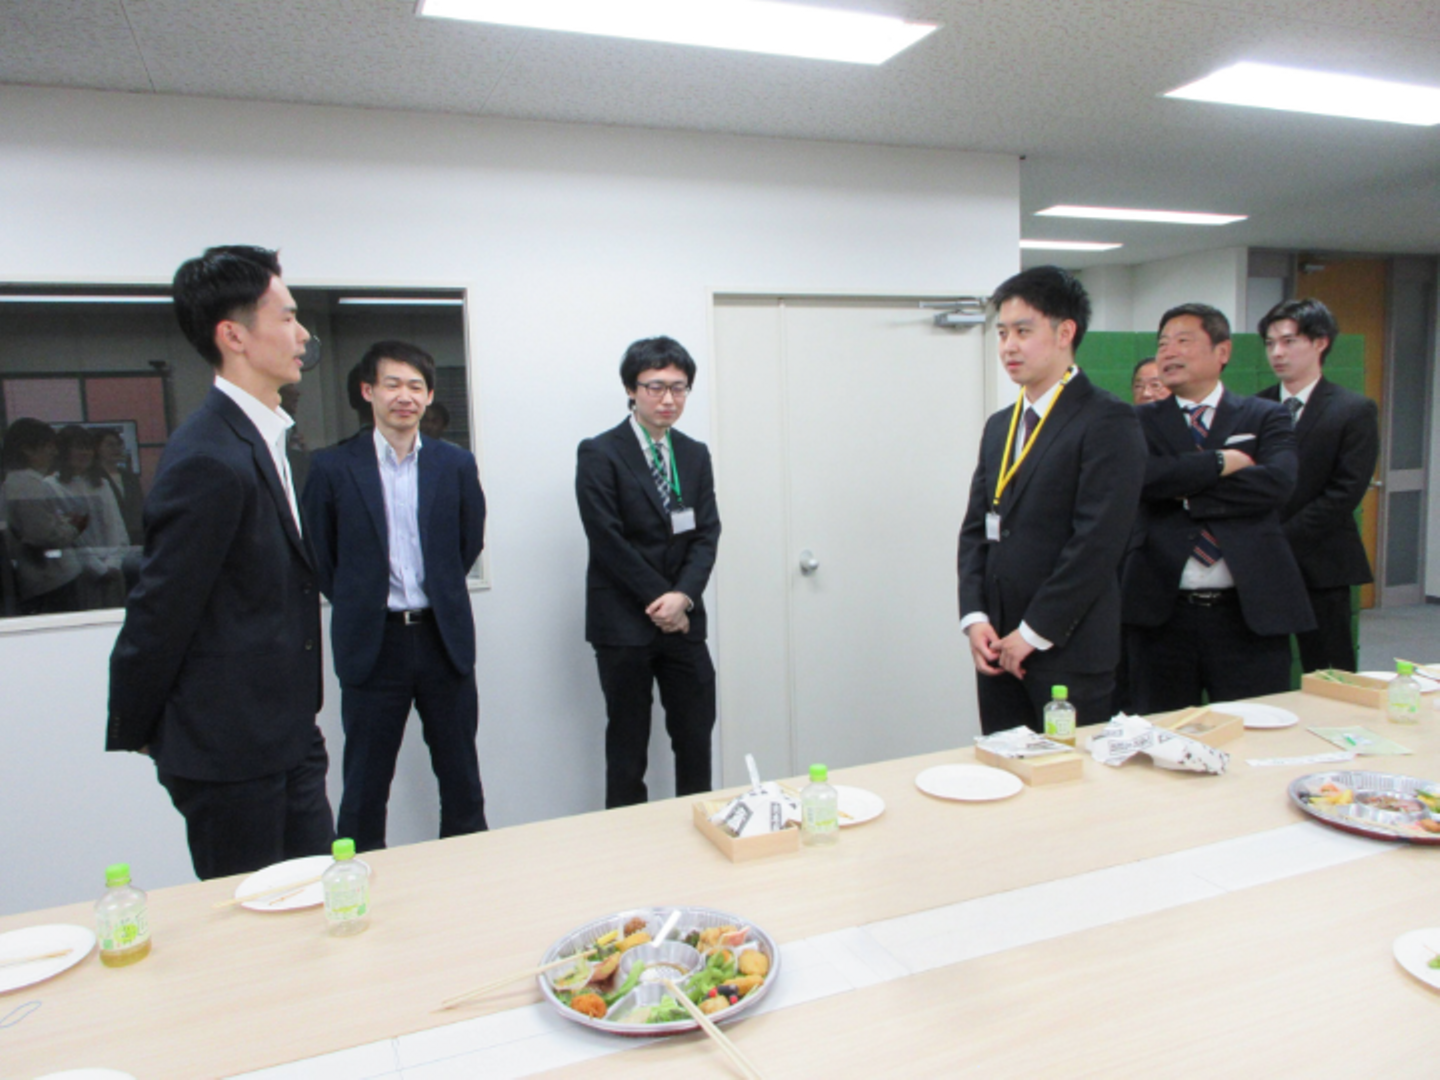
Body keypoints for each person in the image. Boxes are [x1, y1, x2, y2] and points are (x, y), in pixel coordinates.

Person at [107, 245, 334, 881]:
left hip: (285, 731)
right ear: (233, 336)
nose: (303, 334)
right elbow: (162, 604)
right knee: (250, 922)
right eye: (287, 317)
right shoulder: (208, 454)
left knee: (319, 900)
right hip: (229, 746)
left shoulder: (265, 436)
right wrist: (139, 722)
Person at [302, 340, 488, 851]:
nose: (404, 396)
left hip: (441, 639)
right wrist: (363, 598)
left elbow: (468, 542)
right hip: (373, 643)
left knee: (461, 776)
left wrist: (437, 590)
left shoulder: (455, 464)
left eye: (415, 386)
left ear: (429, 396)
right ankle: (359, 883)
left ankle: (470, 876)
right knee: (365, 783)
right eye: (392, 384)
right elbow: (321, 557)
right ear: (368, 392)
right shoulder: (332, 467)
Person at [958, 266, 1145, 734]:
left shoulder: (1107, 419)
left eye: (1023, 331)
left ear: (1065, 333)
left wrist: (1033, 632)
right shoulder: (1001, 425)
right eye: (1002, 333)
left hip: (1067, 649)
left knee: (1068, 774)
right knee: (1004, 766)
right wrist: (975, 617)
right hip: (998, 645)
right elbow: (977, 528)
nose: (1009, 346)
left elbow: (1098, 542)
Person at [1122, 303, 1314, 713]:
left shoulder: (1265, 416)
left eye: (1183, 341)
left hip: (1249, 611)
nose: (1169, 352)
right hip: (1161, 612)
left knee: (1254, 727)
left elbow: (1277, 483)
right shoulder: (1134, 421)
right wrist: (1221, 463)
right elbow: (1141, 480)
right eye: (1163, 343)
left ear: (1222, 351)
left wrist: (1185, 493)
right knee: (1162, 730)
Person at [576, 336, 721, 807]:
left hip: (683, 621)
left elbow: (707, 532)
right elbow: (607, 539)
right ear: (631, 389)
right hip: (624, 622)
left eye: (678, 388)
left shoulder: (694, 453)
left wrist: (684, 597)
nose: (668, 399)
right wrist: (664, 601)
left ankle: (699, 826)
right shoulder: (600, 452)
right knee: (628, 744)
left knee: (695, 735)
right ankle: (626, 840)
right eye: (655, 387)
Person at [1256, 298, 1378, 673]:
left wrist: (1280, 537)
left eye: (1289, 341)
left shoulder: (1352, 409)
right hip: (1260, 559)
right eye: (1270, 343)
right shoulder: (1255, 408)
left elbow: (1345, 491)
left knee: (1328, 666)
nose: (1277, 353)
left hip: (1321, 559)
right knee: (1260, 662)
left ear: (1320, 342)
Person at [1, 418, 83, 615]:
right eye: (48, 446)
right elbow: (43, 535)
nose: (54, 452)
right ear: (27, 449)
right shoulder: (27, 484)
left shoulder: (21, 482)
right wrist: (74, 527)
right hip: (51, 579)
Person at [56, 425, 130, 609]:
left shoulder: (101, 483)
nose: (85, 453)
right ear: (64, 451)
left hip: (113, 567)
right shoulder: (51, 485)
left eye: (88, 448)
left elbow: (116, 525)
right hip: (80, 572)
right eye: (78, 447)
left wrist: (114, 562)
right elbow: (72, 536)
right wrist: (98, 568)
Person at [95, 427, 145, 547]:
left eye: (119, 445)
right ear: (97, 448)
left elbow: (139, 507)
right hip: (106, 537)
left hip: (135, 536)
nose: (116, 449)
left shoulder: (130, 477)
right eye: (110, 445)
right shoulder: (93, 477)